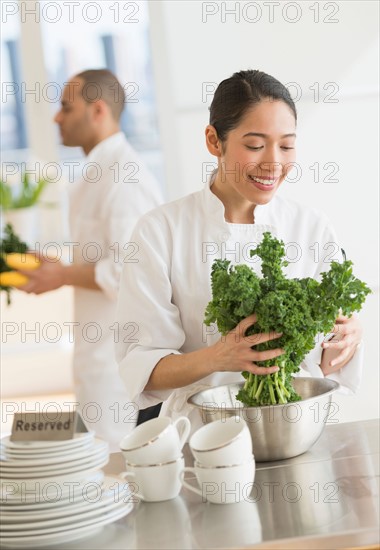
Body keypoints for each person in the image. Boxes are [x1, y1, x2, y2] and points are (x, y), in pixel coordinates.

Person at [115, 69, 363, 430]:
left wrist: (347, 337)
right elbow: (142, 370)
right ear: (214, 141)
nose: (273, 162)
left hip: (297, 428)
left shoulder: (311, 227)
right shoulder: (160, 231)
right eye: (255, 145)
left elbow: (324, 366)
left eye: (287, 145)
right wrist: (218, 357)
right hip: (201, 438)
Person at [18, 69, 163, 449]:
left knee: (116, 468)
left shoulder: (124, 177)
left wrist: (63, 274)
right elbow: (103, 255)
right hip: (96, 353)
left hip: (118, 363)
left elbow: (130, 269)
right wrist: (57, 267)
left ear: (98, 110)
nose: (56, 117)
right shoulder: (99, 172)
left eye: (66, 106)